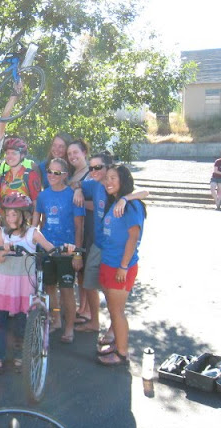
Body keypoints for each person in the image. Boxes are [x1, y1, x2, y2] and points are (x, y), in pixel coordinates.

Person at [72, 154, 148, 344]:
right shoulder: (95, 184)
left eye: (98, 167)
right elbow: (76, 184)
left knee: (113, 295)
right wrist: (78, 190)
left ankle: (114, 332)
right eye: (91, 168)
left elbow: (145, 192)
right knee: (90, 283)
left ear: (108, 167)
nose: (94, 171)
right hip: (99, 243)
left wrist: (125, 199)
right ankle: (94, 322)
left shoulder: (121, 189)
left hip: (116, 250)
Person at [0, 193, 66, 374]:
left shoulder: (33, 233)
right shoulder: (2, 233)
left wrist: (65, 249)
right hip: (4, 283)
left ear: (24, 215)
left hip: (24, 284)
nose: (10, 218)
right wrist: (4, 250)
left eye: (14, 214)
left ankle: (19, 355)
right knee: (0, 322)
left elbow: (50, 248)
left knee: (21, 322)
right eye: (8, 214)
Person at [97, 164, 147, 366]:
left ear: (123, 181)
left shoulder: (131, 205)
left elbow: (133, 237)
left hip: (120, 266)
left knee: (117, 311)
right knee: (113, 308)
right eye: (106, 178)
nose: (108, 182)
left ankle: (122, 353)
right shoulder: (116, 201)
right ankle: (117, 344)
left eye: (113, 178)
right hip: (109, 262)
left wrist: (124, 266)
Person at [32, 158, 85, 344]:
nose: (51, 175)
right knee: (50, 288)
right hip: (47, 249)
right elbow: (40, 222)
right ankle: (56, 319)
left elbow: (79, 227)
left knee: (67, 291)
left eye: (56, 173)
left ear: (65, 175)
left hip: (66, 251)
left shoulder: (73, 196)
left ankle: (69, 327)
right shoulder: (43, 196)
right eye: (49, 171)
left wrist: (77, 254)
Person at [66, 139, 92, 324]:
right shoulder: (73, 174)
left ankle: (87, 310)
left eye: (75, 152)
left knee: (86, 270)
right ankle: (82, 308)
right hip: (75, 226)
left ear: (84, 152)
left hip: (88, 227)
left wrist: (79, 197)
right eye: (69, 154)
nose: (72, 156)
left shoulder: (91, 173)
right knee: (80, 272)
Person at [0, 136, 42, 214]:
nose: (9, 157)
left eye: (14, 153)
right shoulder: (2, 178)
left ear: (22, 155)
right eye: (7, 153)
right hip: (5, 221)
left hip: (26, 221)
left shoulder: (31, 176)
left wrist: (34, 222)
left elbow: (37, 206)